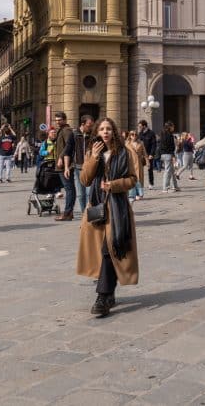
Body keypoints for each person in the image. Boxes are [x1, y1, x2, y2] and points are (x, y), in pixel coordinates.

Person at [77, 117, 140, 317]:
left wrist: (114, 185)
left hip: (117, 208)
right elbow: (85, 180)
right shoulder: (92, 151)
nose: (105, 132)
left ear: (114, 132)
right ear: (97, 131)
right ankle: (109, 292)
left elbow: (132, 179)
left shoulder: (124, 152)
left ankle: (102, 296)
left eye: (109, 129)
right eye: (102, 129)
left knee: (110, 249)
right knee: (105, 251)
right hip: (97, 207)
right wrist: (94, 158)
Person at [53, 112, 77, 220]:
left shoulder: (67, 130)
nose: (58, 122)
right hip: (62, 164)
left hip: (64, 164)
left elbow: (69, 145)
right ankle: (69, 212)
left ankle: (68, 213)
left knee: (69, 188)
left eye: (60, 120)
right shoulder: (61, 130)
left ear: (65, 119)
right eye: (56, 120)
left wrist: (61, 157)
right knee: (69, 188)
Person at [75, 116, 95, 214]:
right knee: (80, 193)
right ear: (82, 124)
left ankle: (89, 213)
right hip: (78, 167)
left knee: (89, 192)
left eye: (92, 125)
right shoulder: (75, 134)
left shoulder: (93, 136)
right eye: (89, 125)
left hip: (90, 167)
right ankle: (84, 214)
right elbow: (69, 150)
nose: (91, 127)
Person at [157, 121, 178, 192]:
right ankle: (165, 188)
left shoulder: (162, 134)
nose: (173, 128)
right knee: (167, 171)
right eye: (173, 126)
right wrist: (173, 155)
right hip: (168, 154)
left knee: (172, 170)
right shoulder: (169, 135)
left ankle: (175, 186)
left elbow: (160, 145)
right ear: (170, 127)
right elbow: (171, 146)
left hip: (163, 154)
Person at [125, 131, 147, 200]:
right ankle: (132, 194)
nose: (134, 136)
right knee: (131, 179)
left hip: (139, 164)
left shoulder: (141, 143)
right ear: (130, 136)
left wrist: (148, 162)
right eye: (132, 134)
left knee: (139, 179)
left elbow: (145, 153)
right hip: (130, 163)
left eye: (135, 134)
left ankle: (139, 194)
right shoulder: (127, 144)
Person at [137, 120, 157, 188]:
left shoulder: (151, 133)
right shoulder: (140, 134)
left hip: (149, 154)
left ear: (144, 126)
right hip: (141, 155)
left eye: (140, 126)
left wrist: (152, 154)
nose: (139, 127)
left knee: (150, 169)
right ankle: (139, 183)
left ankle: (151, 183)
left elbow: (154, 144)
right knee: (139, 169)